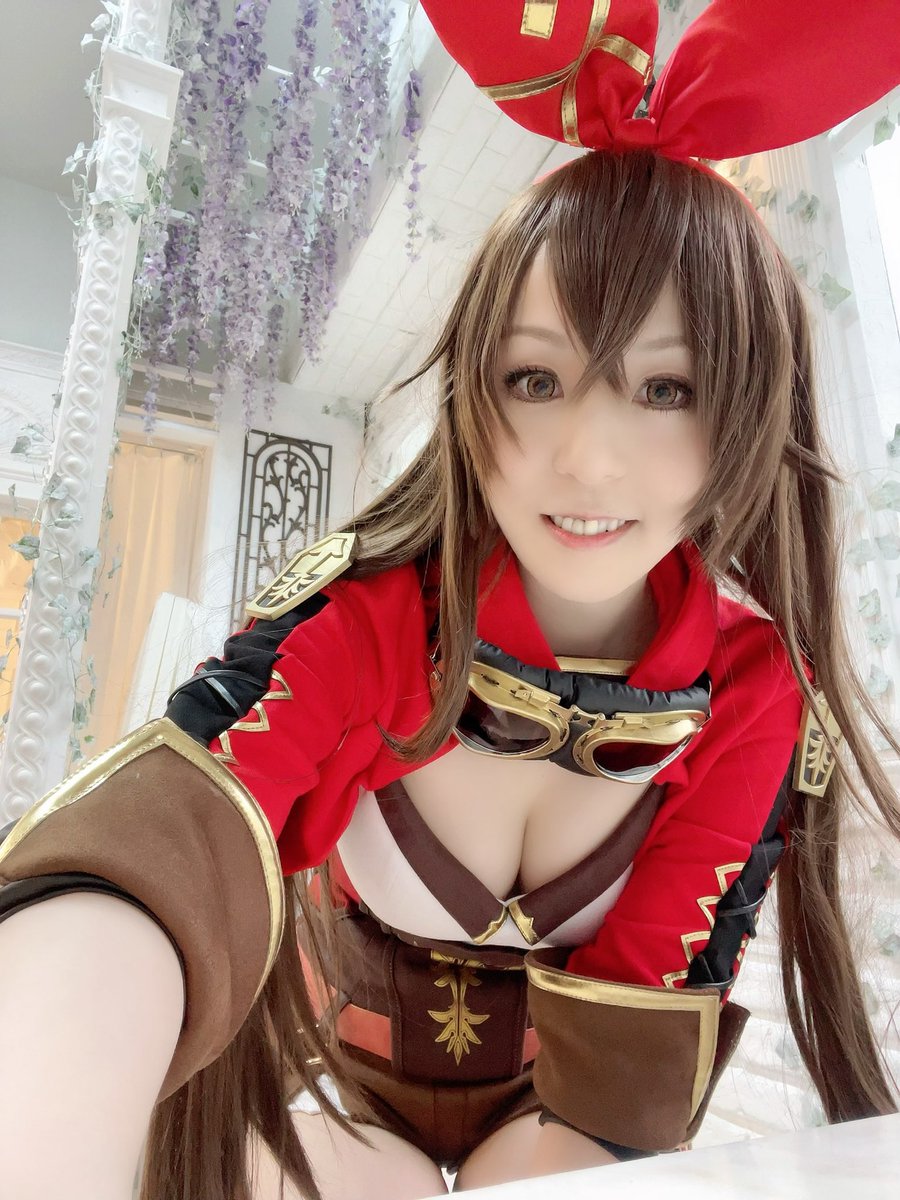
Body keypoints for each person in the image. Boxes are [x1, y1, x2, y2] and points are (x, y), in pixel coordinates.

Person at [2, 5, 900, 1200]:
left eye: (665, 388)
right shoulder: (374, 617)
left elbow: (636, 1036)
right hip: (328, 1101)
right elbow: (167, 847)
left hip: (560, 1126)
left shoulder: (748, 691)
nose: (585, 460)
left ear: (746, 407)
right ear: (473, 391)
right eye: (535, 377)